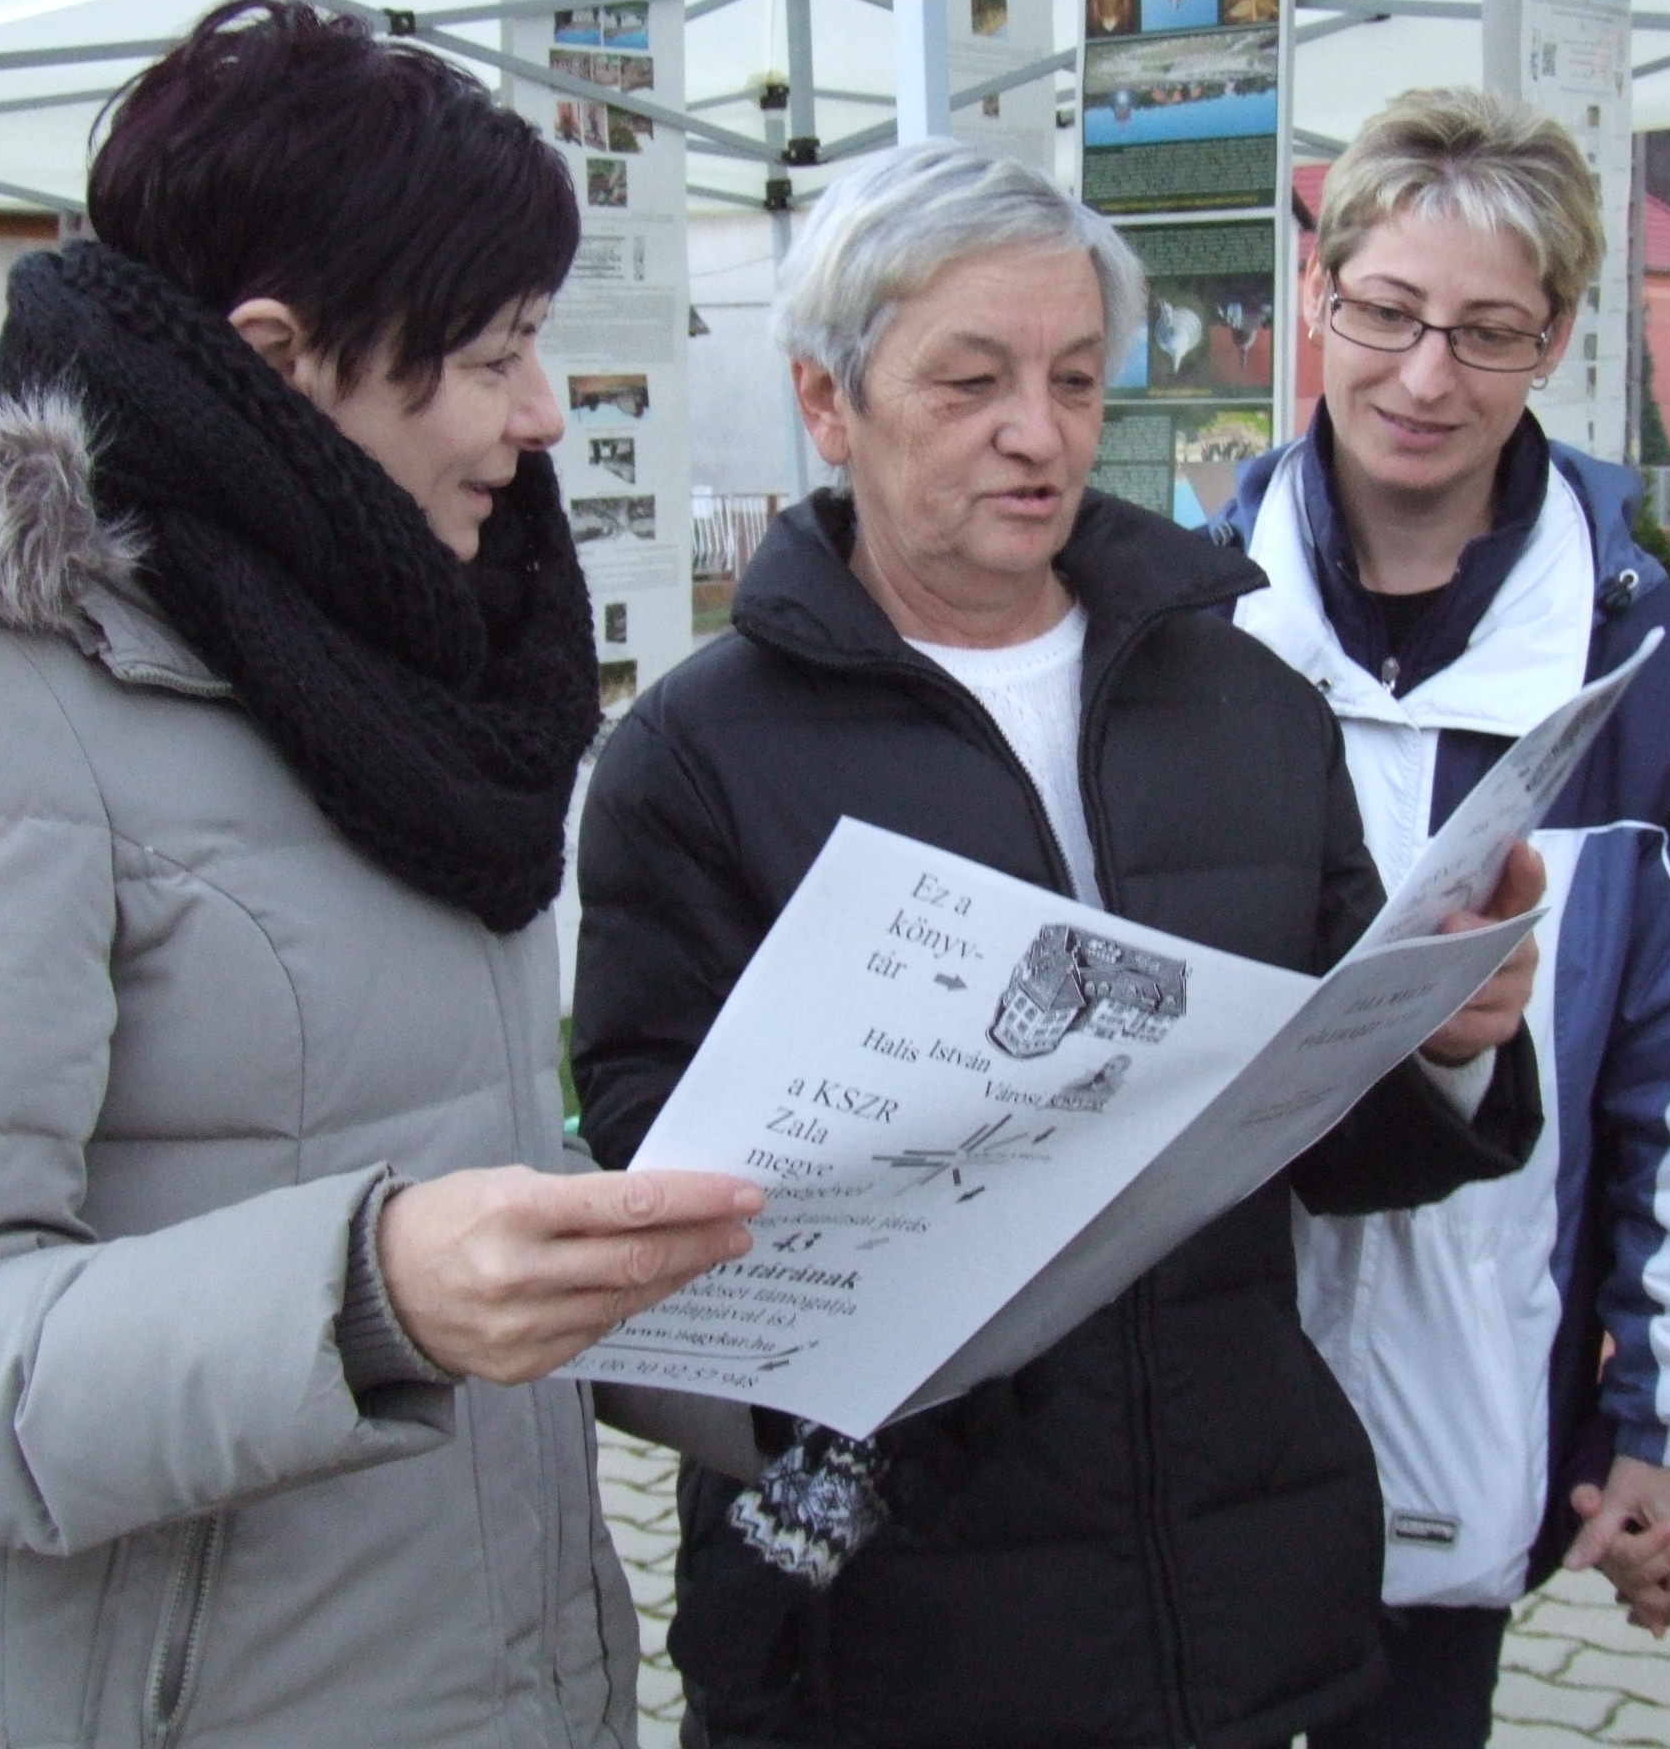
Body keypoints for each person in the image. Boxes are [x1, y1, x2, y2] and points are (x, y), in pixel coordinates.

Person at [0, 0, 760, 1749]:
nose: (540, 415)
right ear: (283, 357)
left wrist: (742, 1296)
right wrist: (365, 1295)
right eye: (495, 353)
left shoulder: (409, 652)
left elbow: (415, 1172)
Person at [571, 139, 1550, 1749]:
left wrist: (1442, 1040)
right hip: (896, 1636)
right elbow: (654, 1190)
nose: (1040, 433)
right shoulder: (694, 759)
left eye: (1078, 380)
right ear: (827, 403)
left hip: (1235, 1595)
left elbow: (1329, 1154)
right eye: (972, 383)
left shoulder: (1246, 704)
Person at [1209, 86, 1670, 1744]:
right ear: (1316, 291)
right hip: (1183, 1429)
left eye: (1486, 333)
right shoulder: (1180, 636)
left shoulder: (1658, 687)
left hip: (1470, 1418)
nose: (1423, 377)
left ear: (1557, 340)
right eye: (1386, 313)